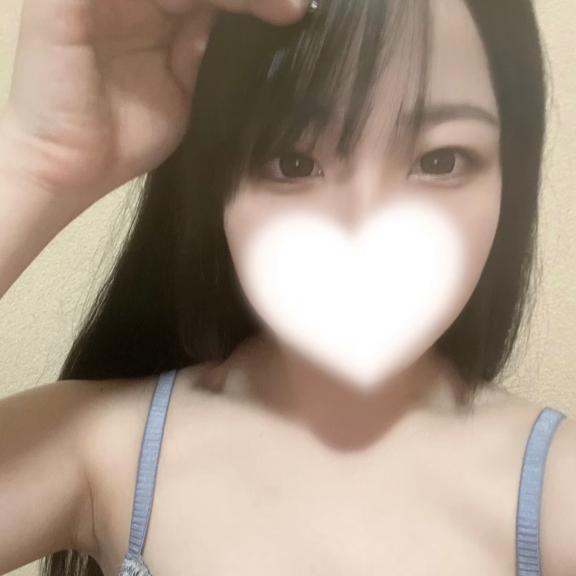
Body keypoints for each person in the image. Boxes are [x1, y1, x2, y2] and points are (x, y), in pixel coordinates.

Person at [0, 0, 575, 575]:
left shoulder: (557, 487)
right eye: (293, 162)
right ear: (215, 179)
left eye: (442, 160)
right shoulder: (105, 445)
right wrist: (38, 160)